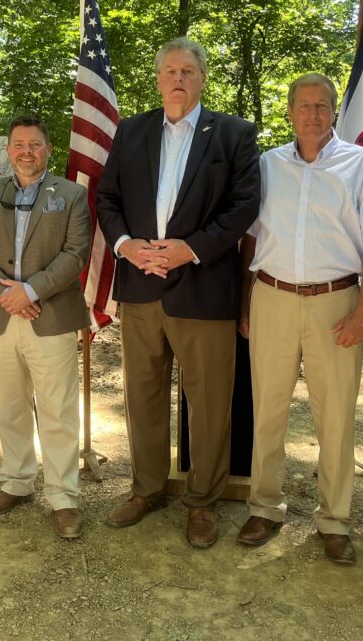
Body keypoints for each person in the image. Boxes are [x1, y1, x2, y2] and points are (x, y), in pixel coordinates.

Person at [96, 37, 260, 548]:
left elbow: (244, 206)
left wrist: (191, 249)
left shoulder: (233, 134)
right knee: (142, 395)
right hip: (140, 288)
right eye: (169, 71)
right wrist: (124, 246)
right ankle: (147, 489)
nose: (178, 80)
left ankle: (203, 501)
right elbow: (107, 198)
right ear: (158, 78)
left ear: (202, 78)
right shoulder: (131, 131)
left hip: (204, 287)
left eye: (188, 71)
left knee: (209, 402)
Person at [236, 74, 363, 564]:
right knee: (267, 410)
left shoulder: (362, 165)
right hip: (272, 297)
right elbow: (249, 236)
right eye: (303, 105)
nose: (312, 113)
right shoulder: (267, 165)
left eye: (322, 105)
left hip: (337, 302)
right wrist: (246, 301)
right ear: (290, 111)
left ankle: (334, 520)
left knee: (336, 415)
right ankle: (265, 507)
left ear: (333, 111)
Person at [0, 116, 92, 539]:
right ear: (8, 150)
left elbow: (75, 254)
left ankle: (64, 497)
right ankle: (17, 481)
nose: (26, 151)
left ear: (48, 150)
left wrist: (30, 292)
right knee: (11, 404)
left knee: (58, 409)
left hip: (49, 315)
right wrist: (6, 295)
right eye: (19, 144)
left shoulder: (71, 195)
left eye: (35, 144)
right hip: (1, 316)